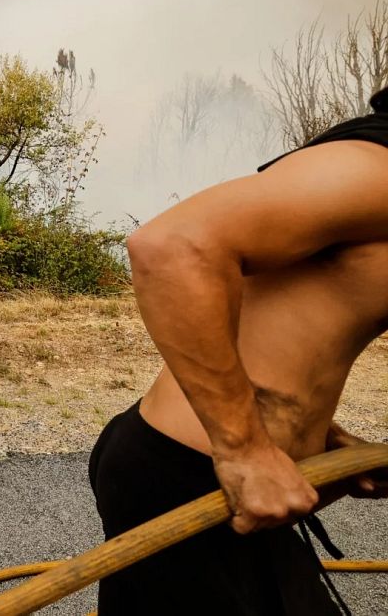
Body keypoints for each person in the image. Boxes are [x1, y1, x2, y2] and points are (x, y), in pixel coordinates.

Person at [89, 90, 388, 613]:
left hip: (234, 485)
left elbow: (293, 317)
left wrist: (319, 438)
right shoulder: (376, 167)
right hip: (187, 478)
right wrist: (246, 450)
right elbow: (171, 249)